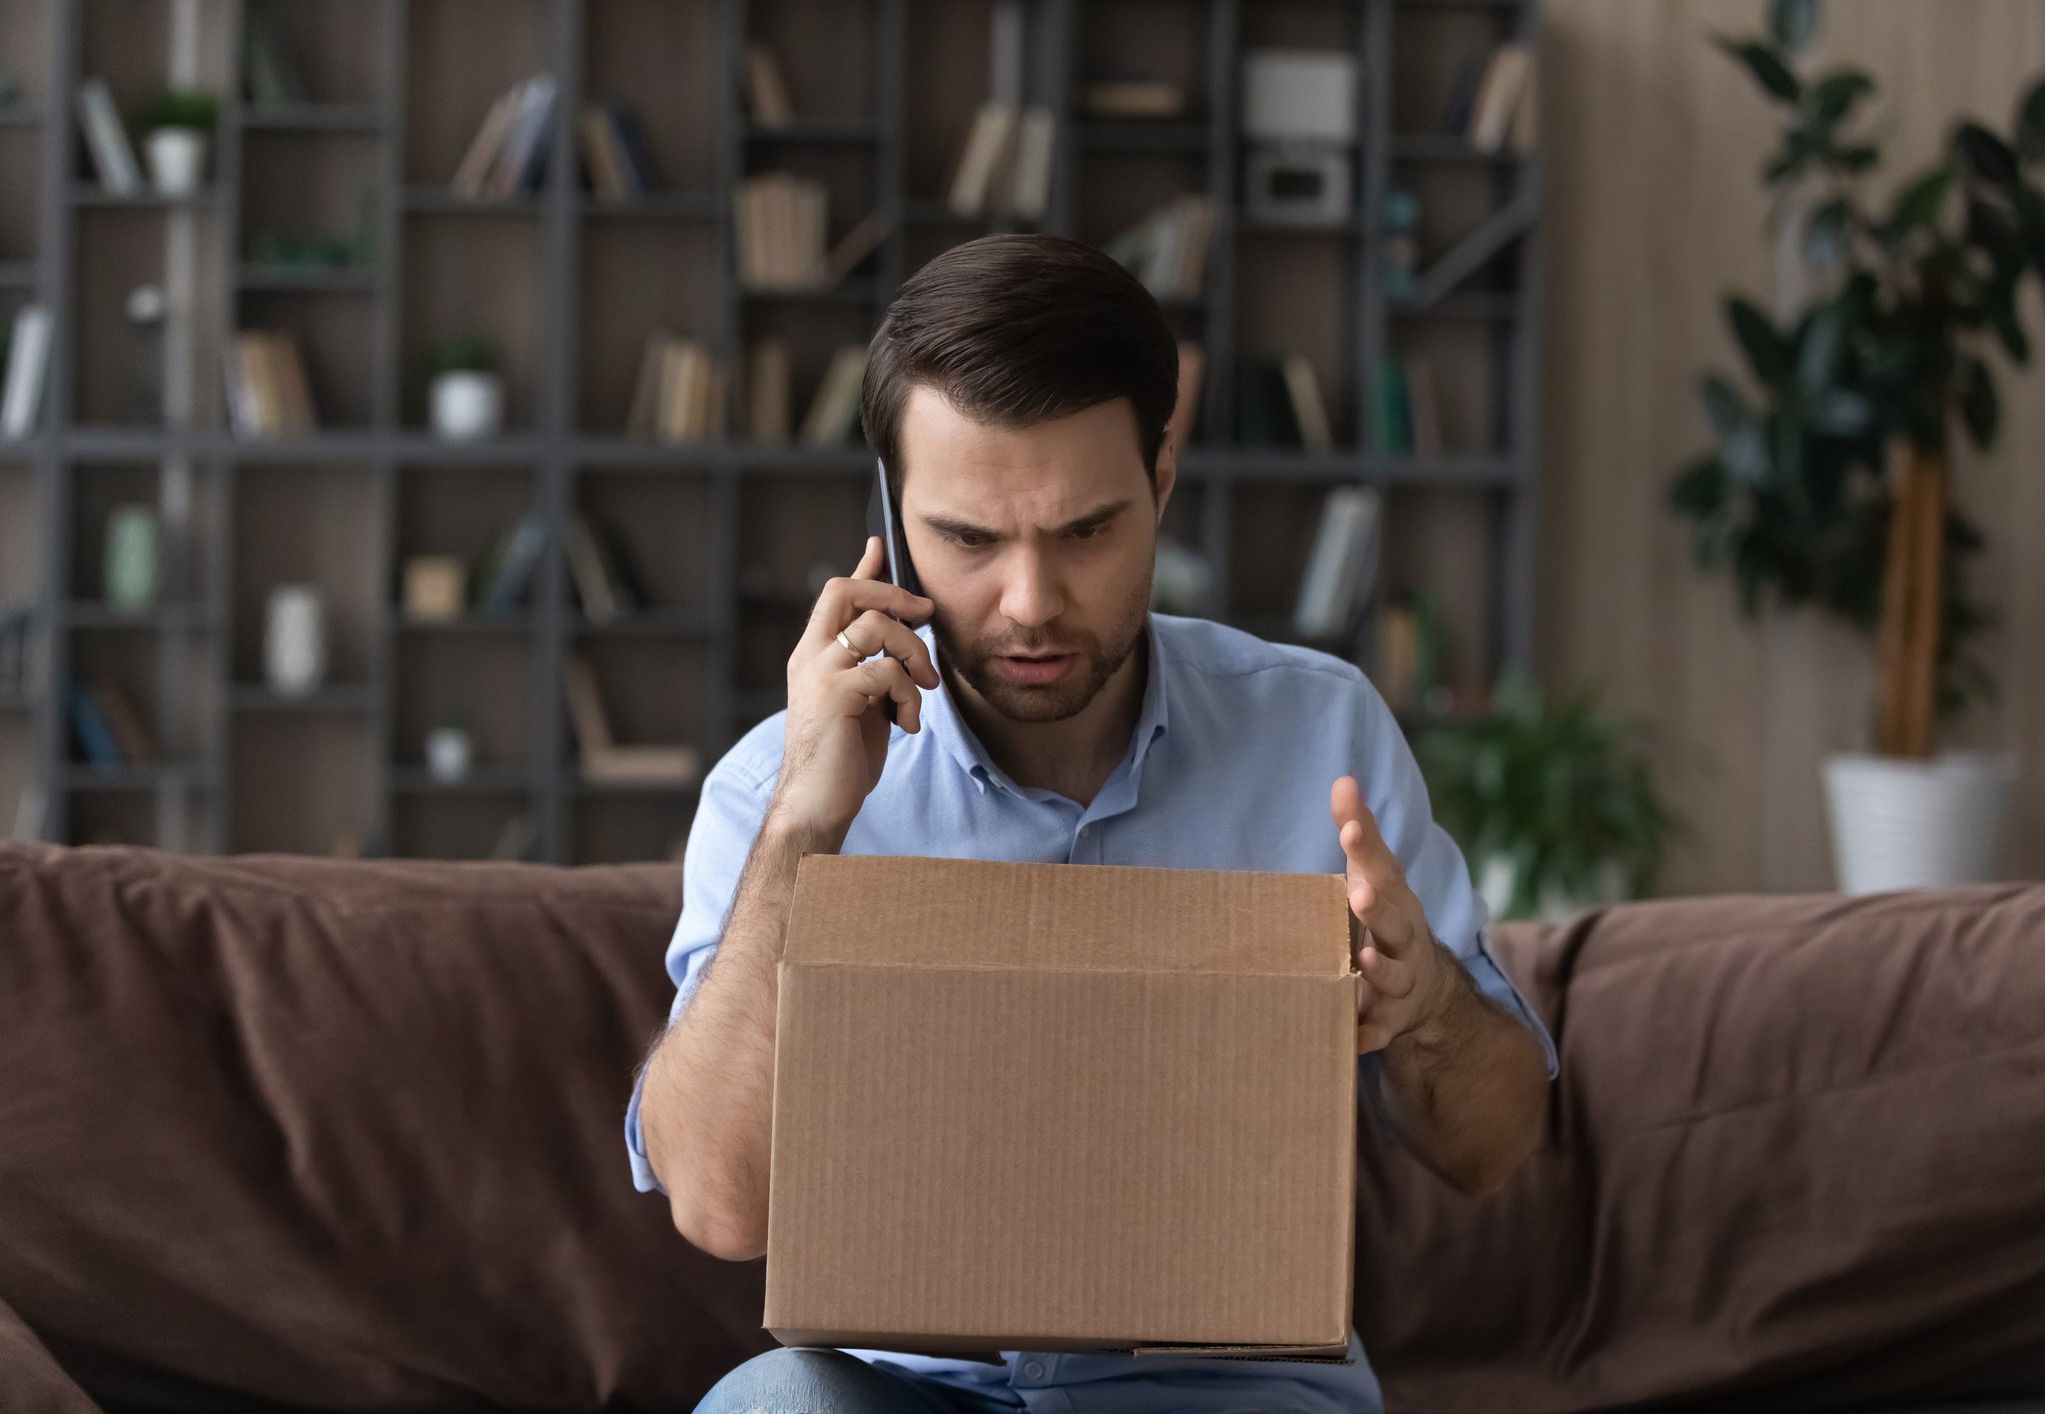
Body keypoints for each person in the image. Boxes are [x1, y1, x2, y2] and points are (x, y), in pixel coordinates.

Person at [626, 233, 1557, 1414]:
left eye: (1086, 532)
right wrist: (805, 828)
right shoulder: (775, 785)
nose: (1030, 605)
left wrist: (1426, 1010)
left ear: (1161, 483)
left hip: (1229, 1390)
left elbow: (1491, 1150)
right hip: (910, 1389)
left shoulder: (1321, 737)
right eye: (968, 539)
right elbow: (718, 1206)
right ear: (892, 514)